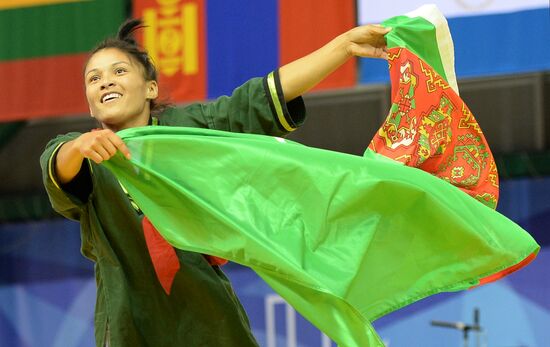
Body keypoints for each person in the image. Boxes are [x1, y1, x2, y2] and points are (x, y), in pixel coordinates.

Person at [40, 18, 390, 347]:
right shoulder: (85, 156)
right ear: (90, 105)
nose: (106, 81)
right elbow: (57, 163)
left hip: (213, 325)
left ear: (151, 87)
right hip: (129, 327)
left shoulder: (186, 129)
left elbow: (257, 101)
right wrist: (77, 147)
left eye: (119, 71)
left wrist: (342, 47)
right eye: (93, 78)